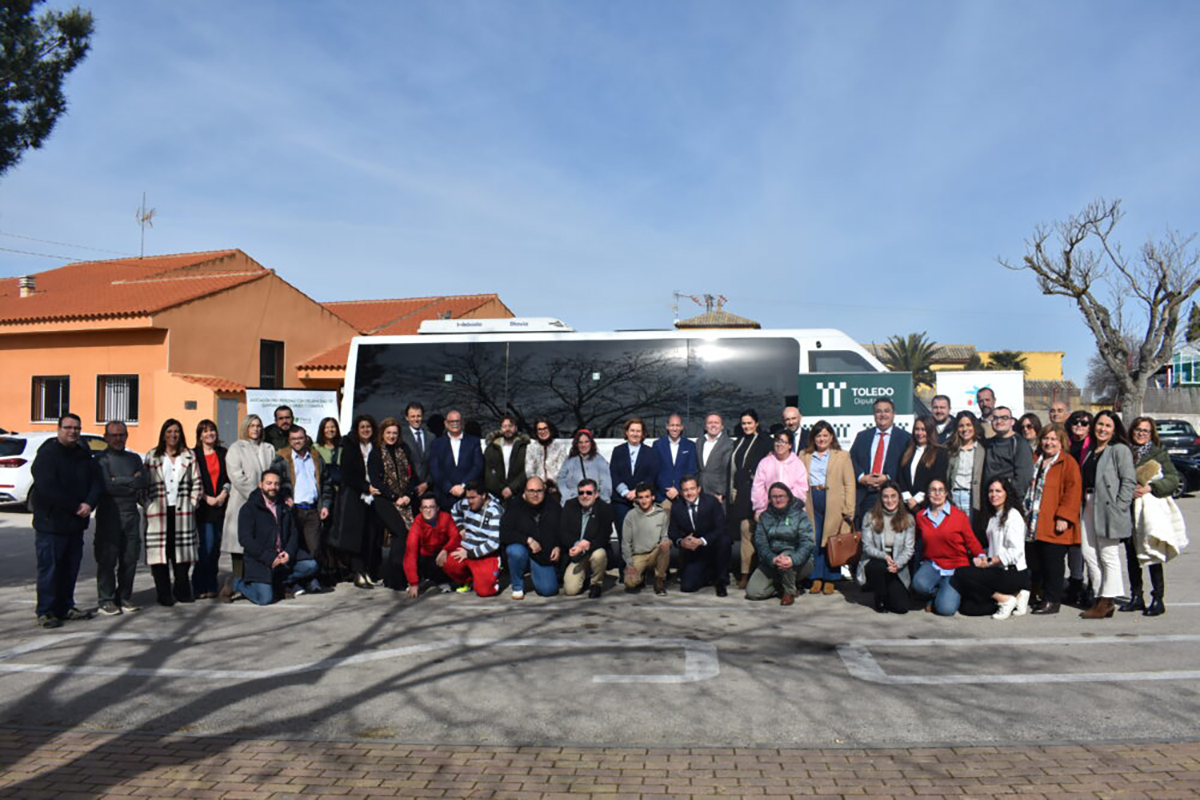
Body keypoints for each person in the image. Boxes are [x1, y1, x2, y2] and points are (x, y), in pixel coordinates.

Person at [31, 413, 101, 628]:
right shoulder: (47, 454)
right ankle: (46, 611)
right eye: (68, 427)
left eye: (77, 428)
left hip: (75, 525)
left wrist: (89, 503)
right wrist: (75, 506)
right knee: (50, 569)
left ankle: (65, 607)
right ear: (59, 428)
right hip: (51, 524)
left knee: (70, 569)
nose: (73, 432)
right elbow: (46, 487)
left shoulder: (83, 455)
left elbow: (96, 482)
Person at [220, 469, 319, 605]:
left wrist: (288, 553)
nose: (273, 487)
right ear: (261, 484)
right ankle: (236, 583)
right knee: (264, 599)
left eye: (276, 484)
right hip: (260, 560)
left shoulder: (283, 507)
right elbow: (245, 540)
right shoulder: (249, 509)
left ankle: (277, 584)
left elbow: (293, 533)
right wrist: (269, 558)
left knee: (310, 565)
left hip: (282, 557)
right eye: (269, 483)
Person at [1078, 410, 1136, 620]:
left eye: (1108, 426)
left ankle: (1107, 600)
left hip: (1108, 506)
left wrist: (1120, 507)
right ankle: (1100, 594)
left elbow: (1129, 480)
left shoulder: (1118, 450)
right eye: (1100, 424)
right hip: (1088, 503)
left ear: (1114, 430)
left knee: (1108, 554)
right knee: (1089, 552)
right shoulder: (1092, 449)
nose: (1102, 429)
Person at [1122, 416, 1183, 616]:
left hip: (1148, 512)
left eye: (1145, 431)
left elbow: (1173, 479)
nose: (1141, 433)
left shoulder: (1159, 453)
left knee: (1152, 553)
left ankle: (1158, 598)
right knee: (1132, 556)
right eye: (1138, 429)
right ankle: (1136, 596)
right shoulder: (1125, 451)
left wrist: (1150, 487)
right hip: (1128, 509)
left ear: (1151, 434)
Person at [143, 419, 202, 606]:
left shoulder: (189, 456)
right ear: (163, 434)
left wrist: (192, 504)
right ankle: (164, 593)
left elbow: (197, 483)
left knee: (181, 556)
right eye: (169, 431)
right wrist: (147, 505)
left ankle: (182, 590)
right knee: (160, 556)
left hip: (182, 511)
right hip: (158, 512)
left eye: (176, 431)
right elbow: (143, 485)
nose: (173, 435)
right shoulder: (152, 456)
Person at [1025, 423, 1082, 615]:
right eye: (1046, 438)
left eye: (1053, 439)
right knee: (1037, 561)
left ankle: (1052, 600)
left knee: (1053, 562)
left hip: (1054, 520)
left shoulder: (1068, 462)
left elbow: (1073, 491)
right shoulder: (1036, 459)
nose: (1049, 443)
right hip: (1034, 519)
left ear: (1061, 442)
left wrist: (1064, 516)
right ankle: (1039, 594)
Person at [953, 479, 1031, 619]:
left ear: (1007, 493)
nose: (994, 494)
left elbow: (1015, 552)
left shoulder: (1013, 516)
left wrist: (989, 561)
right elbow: (996, 546)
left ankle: (1005, 600)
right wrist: (982, 555)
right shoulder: (993, 515)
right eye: (991, 491)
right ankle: (1015, 596)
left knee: (961, 573)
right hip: (996, 570)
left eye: (998, 491)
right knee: (968, 608)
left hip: (1012, 572)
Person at [94, 421, 148, 616]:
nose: (118, 439)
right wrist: (129, 482)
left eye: (122, 435)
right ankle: (106, 599)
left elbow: (143, 481)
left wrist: (120, 480)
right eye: (114, 435)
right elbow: (106, 486)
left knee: (130, 558)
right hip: (109, 515)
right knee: (107, 559)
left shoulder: (134, 458)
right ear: (106, 436)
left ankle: (124, 596)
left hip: (131, 515)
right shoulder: (101, 459)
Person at [911, 479, 984, 616]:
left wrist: (980, 556)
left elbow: (971, 540)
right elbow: (916, 542)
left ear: (946, 493)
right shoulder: (920, 517)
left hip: (955, 567)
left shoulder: (959, 516)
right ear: (928, 494)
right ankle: (938, 591)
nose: (937, 493)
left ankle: (945, 594)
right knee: (918, 584)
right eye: (933, 490)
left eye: (941, 490)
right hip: (933, 564)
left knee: (946, 610)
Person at [800, 421, 856, 595]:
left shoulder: (842, 456)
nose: (822, 439)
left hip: (833, 502)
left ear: (831, 437)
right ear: (813, 438)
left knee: (832, 540)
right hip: (811, 501)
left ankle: (831, 578)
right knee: (815, 540)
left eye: (825, 435)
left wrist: (849, 508)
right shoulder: (804, 455)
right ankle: (816, 577)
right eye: (818, 435)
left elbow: (849, 483)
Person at [223, 415, 279, 584]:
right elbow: (236, 476)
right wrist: (256, 495)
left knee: (261, 543)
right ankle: (236, 583)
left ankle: (257, 581)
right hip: (243, 501)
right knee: (240, 543)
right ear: (245, 428)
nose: (256, 429)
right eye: (252, 425)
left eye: (258, 426)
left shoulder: (269, 448)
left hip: (266, 503)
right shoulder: (236, 448)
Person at [330, 414, 383, 589]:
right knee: (356, 536)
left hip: (376, 496)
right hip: (356, 496)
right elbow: (348, 474)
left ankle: (369, 569)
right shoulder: (350, 447)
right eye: (362, 427)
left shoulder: (376, 446)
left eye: (368, 427)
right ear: (356, 429)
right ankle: (358, 572)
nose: (366, 430)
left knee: (372, 536)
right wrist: (365, 487)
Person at [278, 425, 334, 588]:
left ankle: (311, 578)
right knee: (293, 547)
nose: (297, 442)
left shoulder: (316, 457)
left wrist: (325, 505)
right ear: (289, 441)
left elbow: (326, 484)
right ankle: (294, 581)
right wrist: (285, 496)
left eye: (300, 438)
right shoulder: (282, 458)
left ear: (306, 438)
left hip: (312, 510)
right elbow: (275, 482)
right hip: (292, 510)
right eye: (293, 439)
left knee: (314, 547)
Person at [366, 418, 417, 590]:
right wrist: (395, 497)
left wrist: (408, 495)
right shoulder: (376, 453)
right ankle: (395, 578)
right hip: (385, 500)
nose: (392, 436)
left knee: (404, 536)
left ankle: (395, 578)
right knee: (400, 532)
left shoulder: (404, 449)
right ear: (382, 434)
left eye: (395, 433)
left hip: (405, 499)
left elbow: (413, 476)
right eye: (388, 433)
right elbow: (376, 481)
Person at [745, 483, 814, 605]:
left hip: (797, 561)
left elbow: (807, 542)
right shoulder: (765, 517)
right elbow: (761, 543)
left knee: (786, 556)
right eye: (774, 497)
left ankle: (789, 592)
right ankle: (782, 586)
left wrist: (793, 559)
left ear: (788, 497)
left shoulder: (800, 515)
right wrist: (772, 559)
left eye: (781, 496)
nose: (778, 499)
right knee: (753, 593)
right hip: (773, 560)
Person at [850, 398, 912, 527]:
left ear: (894, 414)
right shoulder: (862, 436)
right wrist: (862, 478)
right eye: (878, 411)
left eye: (886, 411)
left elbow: (906, 466)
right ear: (874, 415)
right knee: (867, 535)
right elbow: (851, 460)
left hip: (892, 496)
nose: (882, 415)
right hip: (867, 495)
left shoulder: (905, 438)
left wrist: (888, 478)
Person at [856, 481, 915, 614]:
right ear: (880, 498)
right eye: (886, 496)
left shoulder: (909, 519)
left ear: (899, 498)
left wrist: (897, 563)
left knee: (901, 608)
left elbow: (909, 549)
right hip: (876, 561)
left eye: (893, 496)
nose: (890, 500)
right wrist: (885, 556)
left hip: (896, 565)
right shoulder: (870, 516)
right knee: (879, 566)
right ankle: (879, 596)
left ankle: (888, 593)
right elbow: (867, 547)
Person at [728, 409, 772, 588]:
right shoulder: (738, 442)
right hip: (743, 496)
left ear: (757, 423)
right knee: (746, 532)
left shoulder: (766, 441)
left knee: (762, 535)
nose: (746, 426)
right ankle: (745, 573)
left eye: (749, 423)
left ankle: (764, 573)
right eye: (744, 423)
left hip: (761, 495)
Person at [609, 418, 660, 568]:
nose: (635, 434)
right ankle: (624, 569)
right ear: (626, 432)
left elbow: (652, 475)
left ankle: (640, 570)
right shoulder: (618, 451)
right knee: (624, 536)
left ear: (643, 434)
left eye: (638, 431)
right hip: (621, 500)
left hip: (642, 501)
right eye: (632, 430)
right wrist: (625, 492)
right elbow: (613, 473)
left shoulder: (650, 452)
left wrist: (636, 493)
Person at [668, 475, 730, 596]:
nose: (689, 493)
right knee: (687, 587)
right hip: (694, 552)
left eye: (692, 489)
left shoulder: (711, 502)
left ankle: (721, 581)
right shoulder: (677, 507)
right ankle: (708, 573)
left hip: (712, 546)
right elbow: (672, 532)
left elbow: (721, 528)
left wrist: (702, 541)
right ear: (681, 492)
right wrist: (681, 541)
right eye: (685, 490)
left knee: (725, 540)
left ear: (699, 489)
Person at [500, 478, 561, 599]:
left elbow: (562, 528)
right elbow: (504, 533)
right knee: (515, 551)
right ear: (525, 491)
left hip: (543, 554)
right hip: (522, 549)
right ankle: (517, 586)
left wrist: (558, 545)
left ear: (544, 491)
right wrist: (527, 540)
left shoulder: (553, 505)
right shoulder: (515, 505)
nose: (535, 494)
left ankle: (536, 572)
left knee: (548, 590)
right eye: (531, 491)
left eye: (539, 491)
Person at [192, 419, 229, 600]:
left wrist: (223, 494)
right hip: (203, 506)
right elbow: (192, 480)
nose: (209, 434)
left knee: (215, 547)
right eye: (205, 431)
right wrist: (206, 497)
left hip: (220, 505)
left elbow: (228, 478)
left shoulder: (223, 453)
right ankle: (199, 584)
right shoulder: (194, 454)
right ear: (200, 435)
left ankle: (211, 584)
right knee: (206, 546)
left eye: (212, 430)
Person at [445, 482, 503, 596]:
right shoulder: (465, 503)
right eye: (468, 497)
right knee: (447, 563)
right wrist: (460, 527)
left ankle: (494, 574)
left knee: (484, 591)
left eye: (473, 498)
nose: (470, 501)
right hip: (467, 547)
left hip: (486, 554)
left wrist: (470, 554)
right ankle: (468, 580)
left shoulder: (495, 511)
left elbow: (493, 543)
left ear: (483, 495)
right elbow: (454, 510)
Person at [561, 478, 614, 598]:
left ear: (596, 494)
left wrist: (587, 545)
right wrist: (575, 545)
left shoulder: (605, 508)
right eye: (581, 492)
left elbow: (605, 534)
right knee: (570, 590)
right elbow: (562, 531)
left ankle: (596, 584)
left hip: (594, 549)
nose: (585, 496)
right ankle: (585, 577)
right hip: (577, 553)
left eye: (589, 492)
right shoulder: (570, 506)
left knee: (599, 554)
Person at [1062, 409, 1094, 606]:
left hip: (1089, 500)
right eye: (1076, 422)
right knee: (1073, 544)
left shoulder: (1094, 446)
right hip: (1069, 498)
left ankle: (1091, 587)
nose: (1079, 426)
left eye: (1084, 423)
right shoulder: (1066, 444)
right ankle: (1075, 582)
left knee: (1088, 546)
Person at [403, 494, 461, 596]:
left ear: (437, 508)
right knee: (412, 559)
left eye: (431, 507)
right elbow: (411, 552)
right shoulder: (417, 523)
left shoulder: (445, 518)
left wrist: (446, 550)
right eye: (425, 507)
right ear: (420, 509)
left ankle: (445, 581)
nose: (428, 510)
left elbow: (455, 537)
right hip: (425, 557)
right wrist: (413, 583)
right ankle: (420, 579)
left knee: (455, 557)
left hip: (441, 553)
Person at [429, 409, 484, 511]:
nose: (455, 424)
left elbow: (478, 466)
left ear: (462, 423)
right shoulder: (437, 443)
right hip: (444, 497)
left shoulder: (474, 441)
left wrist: (463, 486)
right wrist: (449, 488)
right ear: (446, 424)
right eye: (451, 421)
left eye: (457, 421)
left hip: (468, 497)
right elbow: (434, 469)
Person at [619, 483, 669, 595]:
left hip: (655, 552)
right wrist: (629, 564)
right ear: (636, 499)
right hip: (638, 555)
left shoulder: (661, 514)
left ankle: (659, 580)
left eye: (647, 497)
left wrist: (664, 543)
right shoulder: (630, 516)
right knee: (630, 583)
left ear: (653, 497)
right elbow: (626, 543)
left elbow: (664, 536)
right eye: (640, 497)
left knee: (666, 544)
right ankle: (641, 577)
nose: (644, 500)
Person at [946, 412, 987, 537]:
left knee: (970, 532)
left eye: (969, 425)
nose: (965, 429)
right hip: (954, 495)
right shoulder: (951, 448)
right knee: (954, 532)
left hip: (972, 496)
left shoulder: (982, 448)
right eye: (961, 426)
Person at [751, 430, 809, 518]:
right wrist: (760, 508)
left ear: (790, 445)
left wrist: (787, 503)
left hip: (792, 511)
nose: (779, 445)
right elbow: (758, 487)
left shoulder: (798, 463)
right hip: (769, 509)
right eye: (777, 441)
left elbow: (801, 488)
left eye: (783, 442)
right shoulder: (765, 462)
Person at [898, 415, 949, 512]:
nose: (920, 433)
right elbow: (901, 476)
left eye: (923, 429)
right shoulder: (907, 451)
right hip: (906, 505)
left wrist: (917, 500)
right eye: (917, 429)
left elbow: (938, 478)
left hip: (928, 505)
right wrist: (908, 498)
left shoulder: (940, 453)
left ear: (930, 431)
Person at [983, 407, 1034, 499]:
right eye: (995, 418)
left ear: (1012, 422)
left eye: (1004, 418)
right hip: (989, 499)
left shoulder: (1020, 444)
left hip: (1010, 499)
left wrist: (1009, 498)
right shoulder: (987, 443)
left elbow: (1024, 478)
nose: (999, 421)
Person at [653, 413, 698, 509]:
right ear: (667, 426)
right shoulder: (658, 445)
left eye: (677, 425)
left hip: (683, 495)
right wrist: (666, 490)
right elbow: (655, 471)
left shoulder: (690, 445)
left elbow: (691, 470)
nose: (675, 428)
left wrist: (678, 488)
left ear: (682, 427)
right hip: (663, 497)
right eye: (672, 425)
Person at [556, 428, 612, 506]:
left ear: (591, 443)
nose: (583, 445)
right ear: (576, 444)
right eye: (580, 442)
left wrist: (602, 499)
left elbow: (606, 483)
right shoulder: (569, 461)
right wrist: (567, 495)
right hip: (573, 499)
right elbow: (561, 478)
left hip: (594, 501)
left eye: (586, 442)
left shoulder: (600, 460)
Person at [483, 415, 529, 506]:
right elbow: (487, 471)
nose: (507, 429)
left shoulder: (524, 448)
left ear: (515, 428)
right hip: (496, 496)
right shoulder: (491, 448)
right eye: (504, 426)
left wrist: (511, 488)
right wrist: (501, 489)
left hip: (518, 494)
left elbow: (527, 470)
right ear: (501, 429)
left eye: (510, 426)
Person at [525, 417, 569, 496]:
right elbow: (529, 470)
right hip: (537, 489)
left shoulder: (560, 447)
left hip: (556, 488)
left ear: (550, 430)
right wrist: (539, 484)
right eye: (540, 429)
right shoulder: (531, 448)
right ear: (536, 432)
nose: (543, 432)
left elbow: (561, 470)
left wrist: (551, 482)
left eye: (545, 428)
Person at [696, 413, 733, 505]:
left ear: (722, 426)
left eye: (716, 423)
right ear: (705, 426)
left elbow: (726, 469)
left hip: (717, 492)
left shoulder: (729, 444)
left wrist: (721, 492)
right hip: (700, 491)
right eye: (710, 423)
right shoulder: (699, 442)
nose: (713, 425)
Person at [401, 402, 432, 498]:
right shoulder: (401, 437)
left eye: (418, 416)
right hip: (407, 489)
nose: (416, 419)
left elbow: (435, 463)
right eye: (412, 416)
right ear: (407, 418)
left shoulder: (431, 437)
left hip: (428, 488)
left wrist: (427, 483)